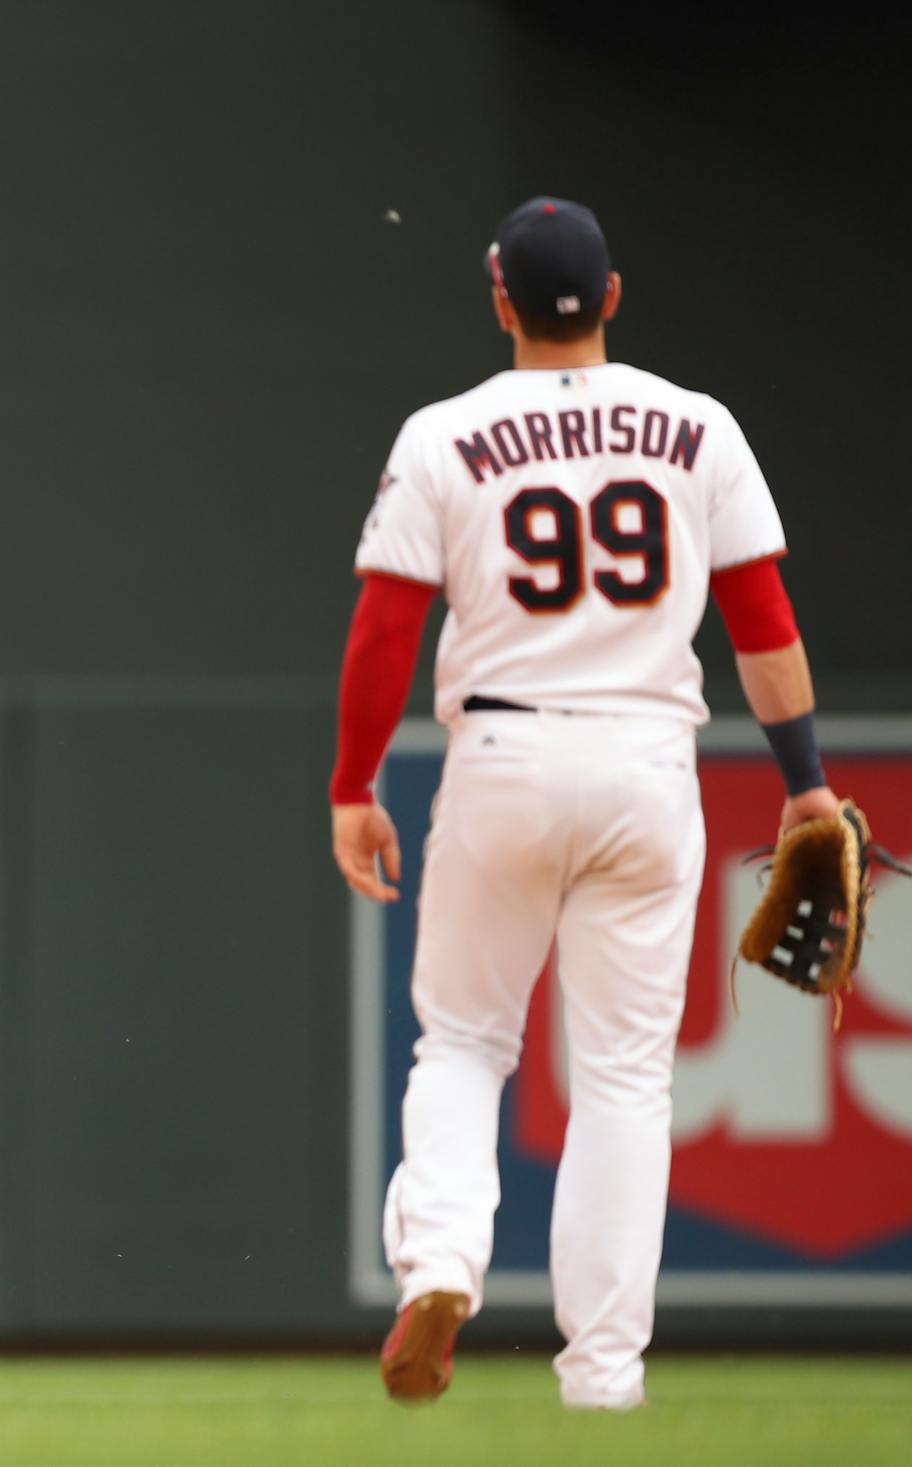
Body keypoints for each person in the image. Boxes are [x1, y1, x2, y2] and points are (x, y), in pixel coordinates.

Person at [327, 198, 840, 1409]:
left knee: (462, 1042)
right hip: (649, 764)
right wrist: (808, 781)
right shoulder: (696, 427)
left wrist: (354, 785)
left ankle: (444, 1258)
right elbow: (762, 622)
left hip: (503, 752)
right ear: (612, 298)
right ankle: (603, 1380)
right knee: (621, 1080)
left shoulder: (446, 434)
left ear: (499, 298)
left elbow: (386, 627)